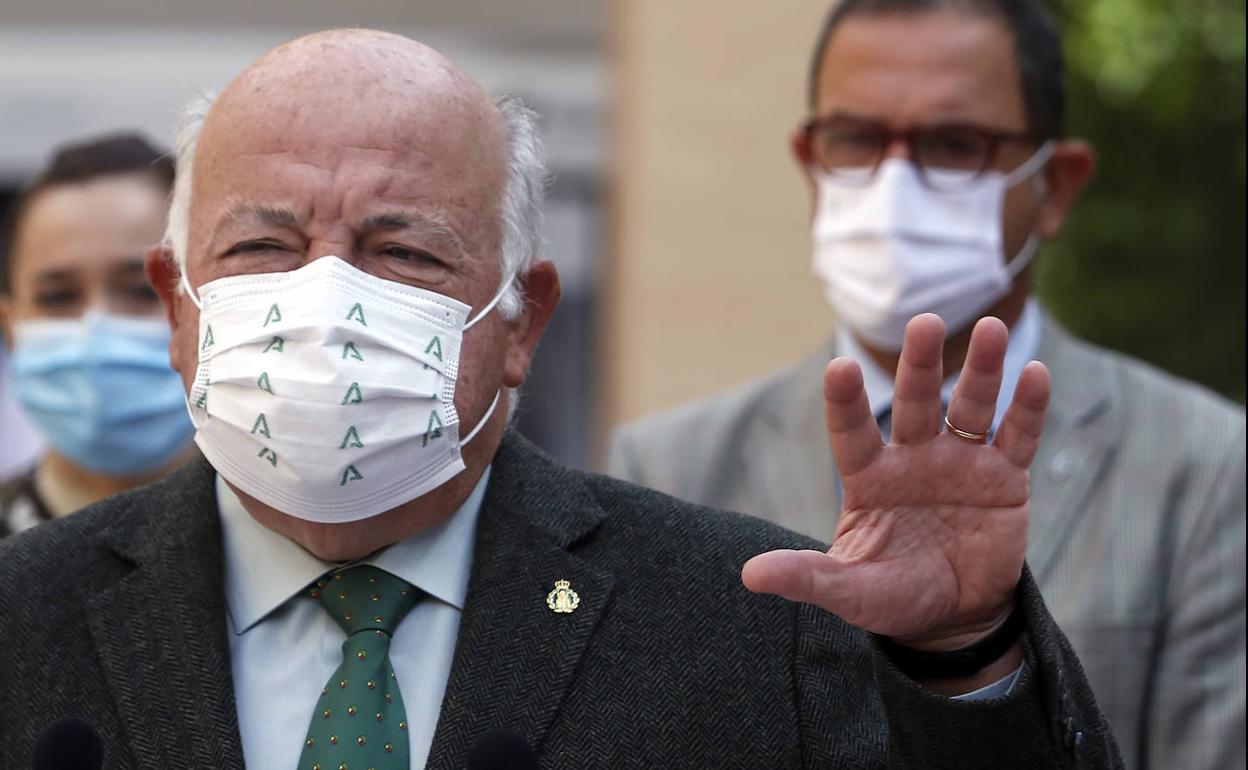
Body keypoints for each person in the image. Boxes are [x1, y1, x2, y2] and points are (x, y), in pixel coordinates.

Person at [0, 29, 1122, 769]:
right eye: (262, 244)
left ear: (522, 319)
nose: (324, 297)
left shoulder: (754, 629)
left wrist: (963, 657)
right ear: (177, 303)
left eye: (403, 251)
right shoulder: (21, 620)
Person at [606, 1, 1246, 768]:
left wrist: (982, 656)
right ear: (810, 162)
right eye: (856, 139)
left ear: (1056, 187)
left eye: (953, 145)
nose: (894, 185)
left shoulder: (1208, 467)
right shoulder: (670, 467)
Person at [0, 134, 197, 537]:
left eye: (143, 290)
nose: (97, 326)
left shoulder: (291, 538)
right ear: (11, 328)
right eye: (58, 296)